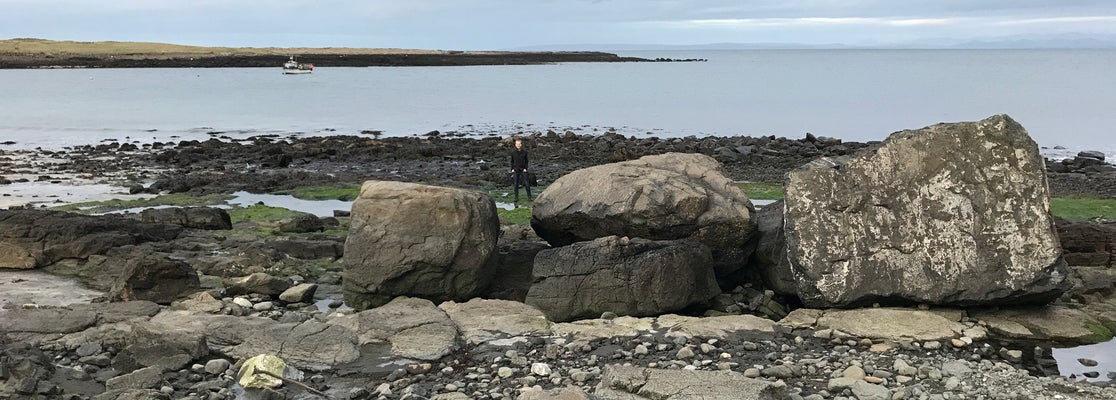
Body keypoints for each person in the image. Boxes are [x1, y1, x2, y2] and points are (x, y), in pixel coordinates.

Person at [510, 138, 532, 204]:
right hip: (516, 170)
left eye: (519, 144)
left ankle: (529, 197)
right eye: (517, 144)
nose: (518, 145)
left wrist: (526, 168)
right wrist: (512, 169)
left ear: (521, 144)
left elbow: (526, 161)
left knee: (527, 184)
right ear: (515, 144)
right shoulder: (513, 152)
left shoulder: (524, 152)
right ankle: (516, 197)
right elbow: (512, 161)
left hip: (523, 170)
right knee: (516, 184)